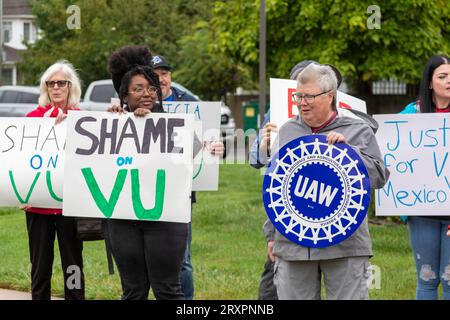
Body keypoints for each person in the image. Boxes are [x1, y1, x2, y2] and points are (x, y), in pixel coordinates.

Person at [258, 63, 389, 300]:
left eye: (309, 96)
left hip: (345, 245)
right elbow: (275, 186)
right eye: (298, 96)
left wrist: (350, 153)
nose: (301, 102)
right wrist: (271, 235)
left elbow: (379, 176)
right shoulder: (287, 131)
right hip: (293, 244)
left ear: (330, 96)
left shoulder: (357, 129)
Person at [107, 45, 223, 300]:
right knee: (134, 290)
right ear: (124, 96)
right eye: (138, 89)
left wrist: (213, 149)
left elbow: (196, 154)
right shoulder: (110, 124)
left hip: (167, 218)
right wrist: (114, 121)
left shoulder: (176, 124)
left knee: (168, 289)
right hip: (123, 219)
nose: (147, 93)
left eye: (151, 88)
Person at [249, 60, 343, 300]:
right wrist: (265, 146)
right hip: (289, 209)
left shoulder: (345, 117)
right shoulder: (278, 114)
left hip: (330, 209)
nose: (303, 101)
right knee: (277, 283)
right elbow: (256, 159)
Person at [151, 54, 224, 299]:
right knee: (149, 256)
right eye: (156, 74)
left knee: (182, 258)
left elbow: (208, 139)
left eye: (165, 73)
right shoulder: (140, 104)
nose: (161, 79)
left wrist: (216, 148)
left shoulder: (190, 103)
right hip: (147, 191)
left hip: (181, 192)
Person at [22, 60, 85, 300]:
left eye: (62, 83)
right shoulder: (32, 118)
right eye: (51, 83)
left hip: (70, 204)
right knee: (40, 265)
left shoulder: (81, 120)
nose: (56, 87)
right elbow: (21, 161)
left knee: (73, 264)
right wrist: (21, 193)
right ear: (45, 88)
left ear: (71, 87)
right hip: (38, 205)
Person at [399, 55, 450, 300]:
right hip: (422, 211)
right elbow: (392, 151)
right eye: (442, 76)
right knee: (427, 278)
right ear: (430, 82)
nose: (449, 81)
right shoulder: (412, 113)